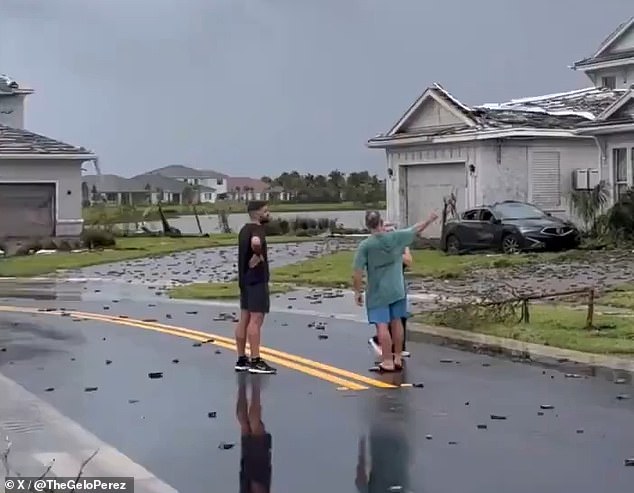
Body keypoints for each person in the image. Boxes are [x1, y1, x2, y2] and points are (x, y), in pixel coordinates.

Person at [352, 210, 438, 372]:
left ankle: (387, 360)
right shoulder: (396, 237)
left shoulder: (366, 246)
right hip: (397, 288)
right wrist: (429, 219)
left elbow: (357, 272)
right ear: (381, 222)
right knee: (397, 321)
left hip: (378, 291)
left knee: (382, 326)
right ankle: (397, 357)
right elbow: (415, 229)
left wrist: (357, 292)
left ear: (367, 225)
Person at [234, 200, 277, 374]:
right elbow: (256, 242)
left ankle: (241, 359)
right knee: (256, 319)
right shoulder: (257, 230)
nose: (268, 213)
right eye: (266, 211)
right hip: (257, 280)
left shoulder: (243, 230)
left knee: (244, 318)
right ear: (257, 213)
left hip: (244, 280)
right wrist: (258, 254)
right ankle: (256, 360)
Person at [369, 240, 412, 359]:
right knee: (385, 318)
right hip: (383, 286)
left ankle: (399, 348)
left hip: (398, 285)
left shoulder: (401, 246)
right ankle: (378, 341)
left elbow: (408, 261)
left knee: (400, 317)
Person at [237, 374, 272, 493]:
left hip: (258, 473)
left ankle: (255, 384)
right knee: (245, 426)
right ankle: (241, 384)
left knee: (256, 427)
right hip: (245, 477)